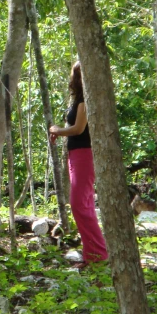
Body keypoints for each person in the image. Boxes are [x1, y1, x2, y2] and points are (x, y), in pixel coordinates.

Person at [49, 62, 108, 265]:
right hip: (76, 154)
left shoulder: (85, 100)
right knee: (85, 204)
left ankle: (99, 254)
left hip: (84, 153)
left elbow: (78, 129)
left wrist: (56, 130)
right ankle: (93, 254)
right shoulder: (79, 100)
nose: (77, 78)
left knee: (79, 206)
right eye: (77, 74)